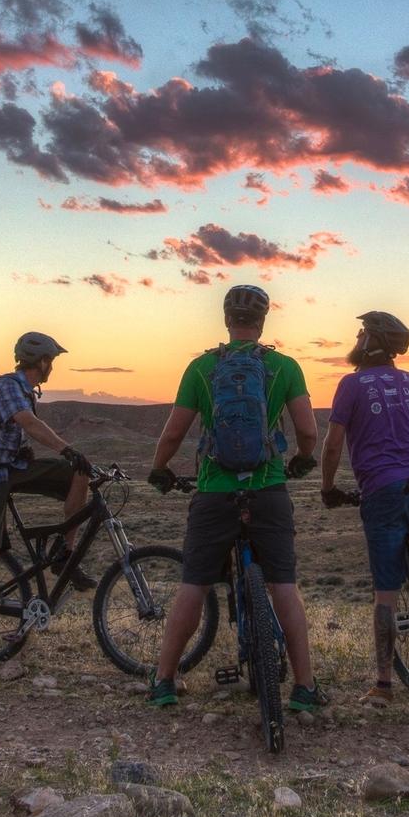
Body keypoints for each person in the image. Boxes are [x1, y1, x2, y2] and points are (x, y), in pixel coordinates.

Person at [145, 284, 326, 712]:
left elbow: (174, 432)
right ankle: (304, 687)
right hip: (267, 490)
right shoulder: (284, 366)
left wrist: (159, 469)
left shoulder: (201, 368)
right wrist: (302, 460)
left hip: (214, 492)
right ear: (263, 322)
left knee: (194, 585)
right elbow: (308, 431)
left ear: (226, 320)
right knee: (284, 586)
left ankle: (164, 680)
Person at [319, 311, 409, 706]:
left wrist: (328, 488)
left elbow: (333, 445)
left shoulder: (351, 385)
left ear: (369, 343)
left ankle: (383, 685)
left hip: (382, 490)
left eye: (361, 333)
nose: (356, 337)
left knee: (385, 590)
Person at [0, 331, 96, 672]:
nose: (54, 368)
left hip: (10, 468)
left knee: (79, 475)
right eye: (54, 361)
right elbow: (29, 423)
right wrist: (66, 448)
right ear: (44, 361)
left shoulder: (25, 390)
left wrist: (69, 459)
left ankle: (63, 554)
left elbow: (19, 430)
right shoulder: (8, 387)